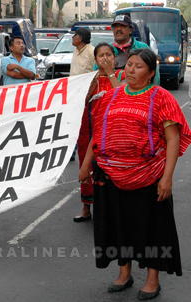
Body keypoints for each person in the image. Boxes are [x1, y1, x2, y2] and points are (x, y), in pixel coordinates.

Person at [79, 49, 191, 300]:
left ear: (151, 73)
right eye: (128, 65)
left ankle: (153, 279)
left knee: (151, 228)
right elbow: (97, 133)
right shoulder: (110, 96)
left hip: (149, 176)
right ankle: (124, 273)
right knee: (119, 225)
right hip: (110, 175)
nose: (130, 70)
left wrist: (167, 178)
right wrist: (86, 166)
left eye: (138, 66)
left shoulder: (161, 97)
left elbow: (173, 140)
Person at [74, 42, 125, 222]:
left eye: (108, 55)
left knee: (111, 167)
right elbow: (81, 101)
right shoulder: (89, 77)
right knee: (86, 165)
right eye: (101, 55)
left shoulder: (122, 75)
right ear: (95, 59)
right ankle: (86, 207)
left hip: (114, 131)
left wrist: (110, 73)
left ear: (115, 57)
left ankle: (112, 209)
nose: (105, 58)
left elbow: (123, 96)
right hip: (89, 127)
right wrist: (92, 84)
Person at [96, 14, 160, 85]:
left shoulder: (142, 48)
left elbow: (155, 76)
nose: (118, 29)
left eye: (123, 26)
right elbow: (95, 73)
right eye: (115, 26)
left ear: (130, 30)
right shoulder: (105, 50)